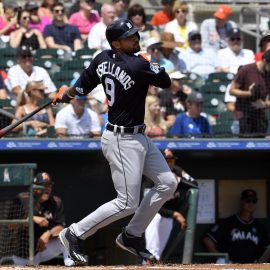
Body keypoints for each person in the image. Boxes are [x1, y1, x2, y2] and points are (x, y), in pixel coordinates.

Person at [52, 18, 177, 265]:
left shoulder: (102, 58)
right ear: (116, 43)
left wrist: (67, 94)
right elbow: (166, 81)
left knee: (167, 182)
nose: (136, 40)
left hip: (138, 135)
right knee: (127, 202)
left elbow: (83, 86)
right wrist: (149, 62)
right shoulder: (136, 65)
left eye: (135, 35)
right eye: (130, 38)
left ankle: (131, 235)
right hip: (121, 140)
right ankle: (74, 233)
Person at [8, 172, 74, 266]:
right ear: (35, 187)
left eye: (49, 185)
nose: (47, 188)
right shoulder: (23, 199)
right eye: (44, 185)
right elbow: (10, 226)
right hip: (22, 254)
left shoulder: (56, 202)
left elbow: (61, 227)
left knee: (68, 235)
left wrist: (48, 233)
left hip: (42, 250)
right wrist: (31, 219)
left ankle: (71, 265)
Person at [144, 148, 198, 262]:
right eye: (166, 160)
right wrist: (176, 214)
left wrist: (179, 179)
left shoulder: (178, 171)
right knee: (155, 217)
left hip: (168, 216)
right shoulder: (151, 175)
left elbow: (195, 183)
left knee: (158, 253)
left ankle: (154, 260)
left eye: (171, 160)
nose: (170, 163)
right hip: (152, 214)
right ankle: (149, 258)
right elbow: (150, 205)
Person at [203, 189, 269, 264]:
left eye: (254, 201)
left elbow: (267, 248)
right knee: (221, 261)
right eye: (248, 200)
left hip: (252, 264)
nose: (251, 203)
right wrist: (219, 257)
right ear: (241, 202)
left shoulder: (260, 227)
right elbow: (208, 239)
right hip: (231, 264)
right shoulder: (228, 223)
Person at [229, 49, 270, 138]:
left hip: (259, 118)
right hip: (244, 116)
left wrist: (264, 104)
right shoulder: (246, 70)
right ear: (264, 61)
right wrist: (249, 93)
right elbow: (232, 90)